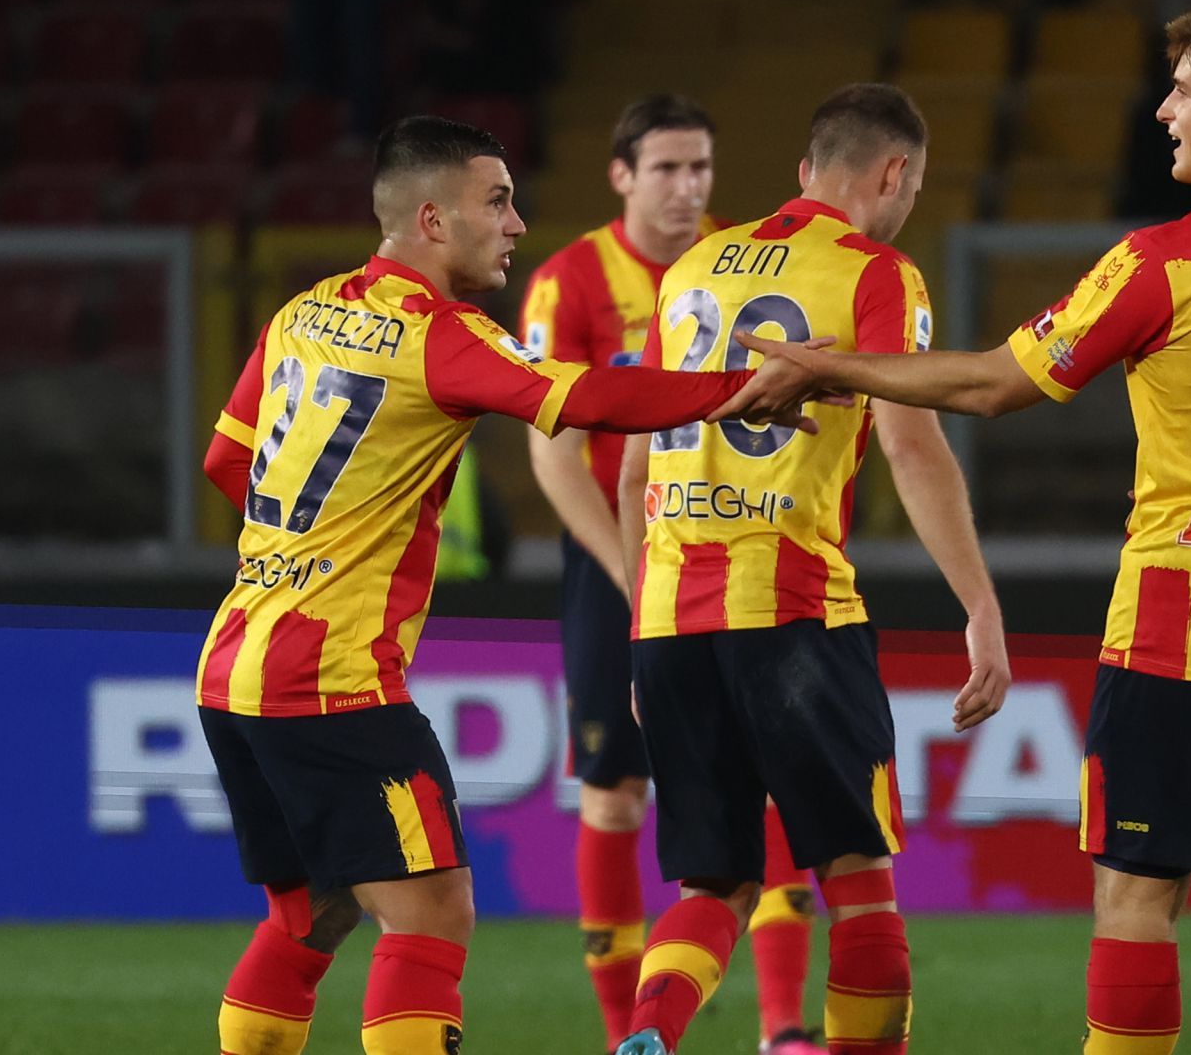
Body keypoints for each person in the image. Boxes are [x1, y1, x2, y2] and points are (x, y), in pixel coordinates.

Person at [736, 6, 1191, 1055]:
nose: (1164, 110)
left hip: (1181, 628)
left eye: (1182, 89)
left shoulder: (1163, 261)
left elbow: (996, 383)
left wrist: (829, 366)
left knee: (1137, 905)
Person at [193, 115, 823, 1055]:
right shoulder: (441, 337)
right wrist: (746, 387)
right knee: (433, 914)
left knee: (311, 916)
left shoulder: (302, 312)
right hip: (331, 681)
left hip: (232, 662)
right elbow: (583, 400)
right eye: (498, 201)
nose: (518, 223)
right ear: (434, 220)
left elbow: (224, 462)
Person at [611, 83, 1013, 1055]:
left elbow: (631, 469)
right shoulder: (877, 274)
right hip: (792, 613)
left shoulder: (692, 268)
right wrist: (980, 608)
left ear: (803, 174)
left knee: (716, 885)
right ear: (893, 175)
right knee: (856, 873)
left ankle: (649, 1036)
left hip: (672, 616)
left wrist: (640, 633)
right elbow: (912, 448)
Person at [520, 94, 817, 1052]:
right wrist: (625, 570)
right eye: (667, 170)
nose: (689, 188)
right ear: (621, 175)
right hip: (620, 563)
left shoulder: (743, 261)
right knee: (614, 792)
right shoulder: (569, 282)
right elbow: (553, 450)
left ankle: (783, 1030)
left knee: (768, 780)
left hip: (732, 549)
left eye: (701, 168)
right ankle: (625, 1038)